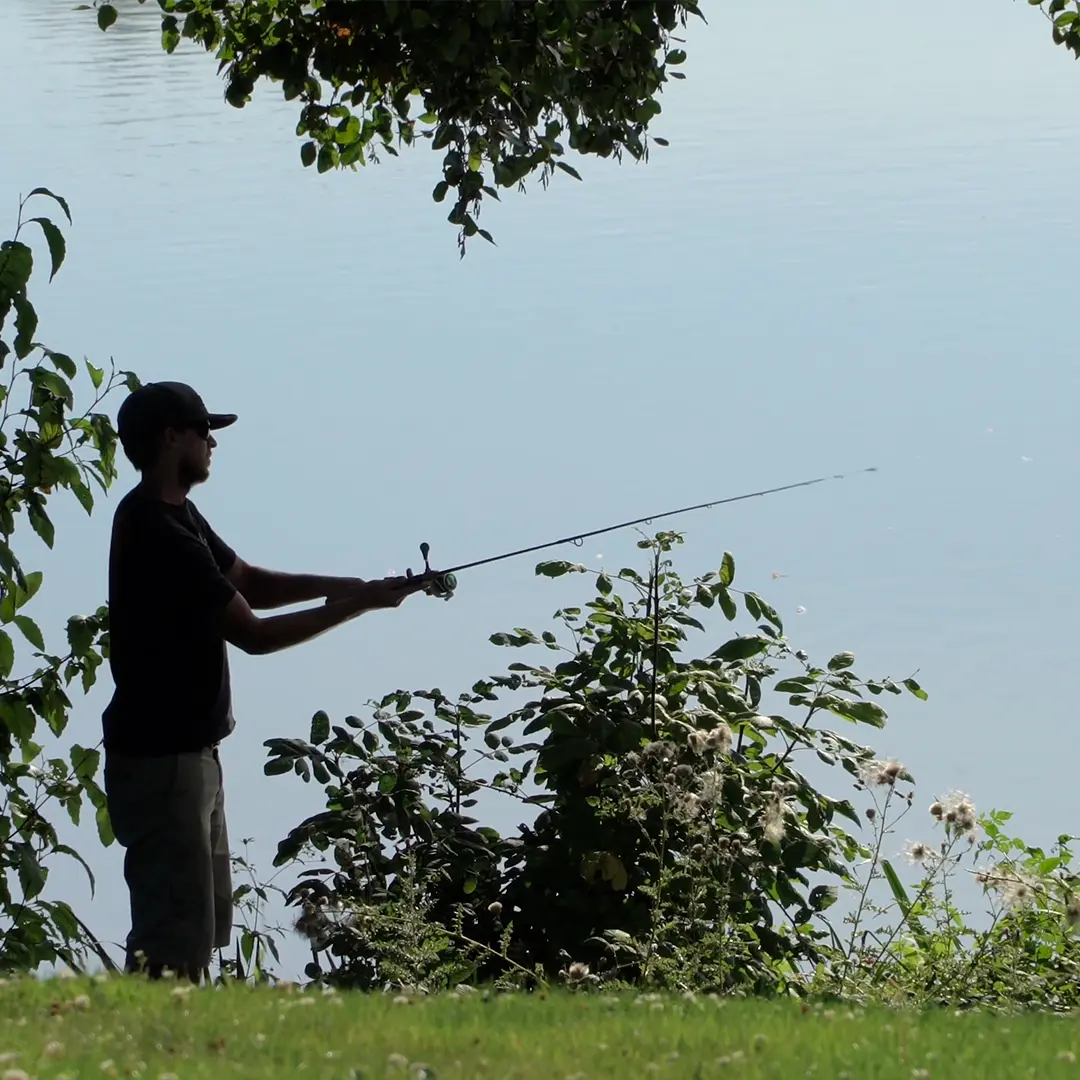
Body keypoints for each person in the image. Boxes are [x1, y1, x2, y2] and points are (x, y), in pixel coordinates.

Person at [101, 380, 428, 984]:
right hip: (164, 763)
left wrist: (353, 586)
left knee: (200, 926)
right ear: (172, 437)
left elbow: (248, 578)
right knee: (172, 938)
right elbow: (252, 632)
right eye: (204, 431)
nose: (212, 444)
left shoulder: (173, 513)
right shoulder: (159, 533)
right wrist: (359, 608)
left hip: (189, 757)